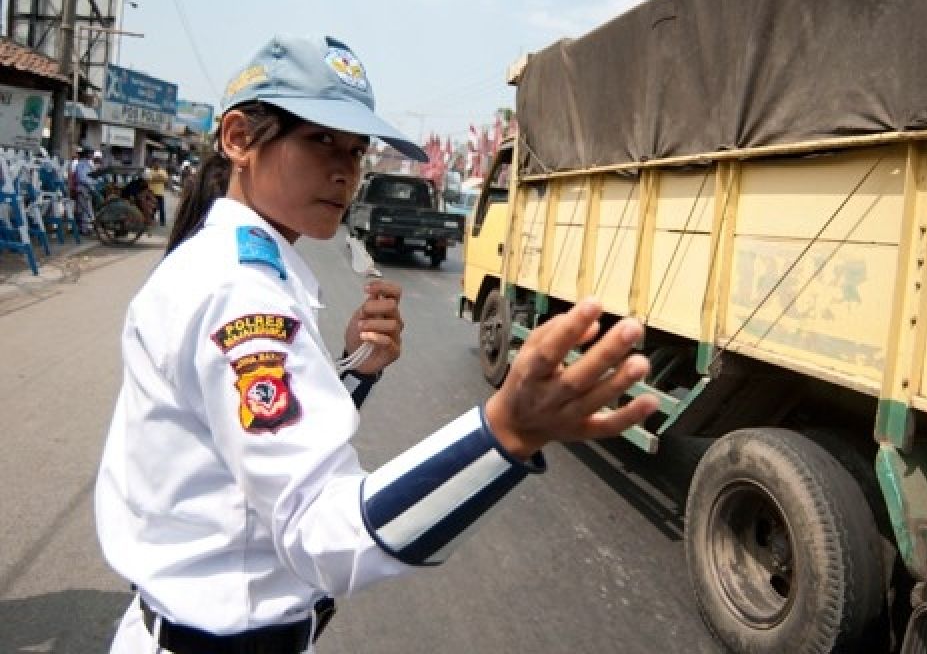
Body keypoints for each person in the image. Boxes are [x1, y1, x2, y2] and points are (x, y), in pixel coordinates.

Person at [94, 34, 658, 654]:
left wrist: (356, 369)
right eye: (321, 140)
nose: (346, 169)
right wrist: (504, 434)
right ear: (238, 139)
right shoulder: (238, 290)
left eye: (357, 150)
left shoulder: (246, 269)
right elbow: (321, 529)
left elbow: (248, 443)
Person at [145, 157, 169, 226]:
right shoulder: (150, 171)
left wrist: (155, 178)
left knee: (161, 208)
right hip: (151, 192)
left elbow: (165, 179)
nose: (156, 164)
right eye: (155, 163)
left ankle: (162, 222)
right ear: (153, 164)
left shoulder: (163, 171)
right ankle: (151, 220)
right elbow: (149, 179)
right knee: (152, 208)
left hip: (160, 193)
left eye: (158, 163)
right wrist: (159, 178)